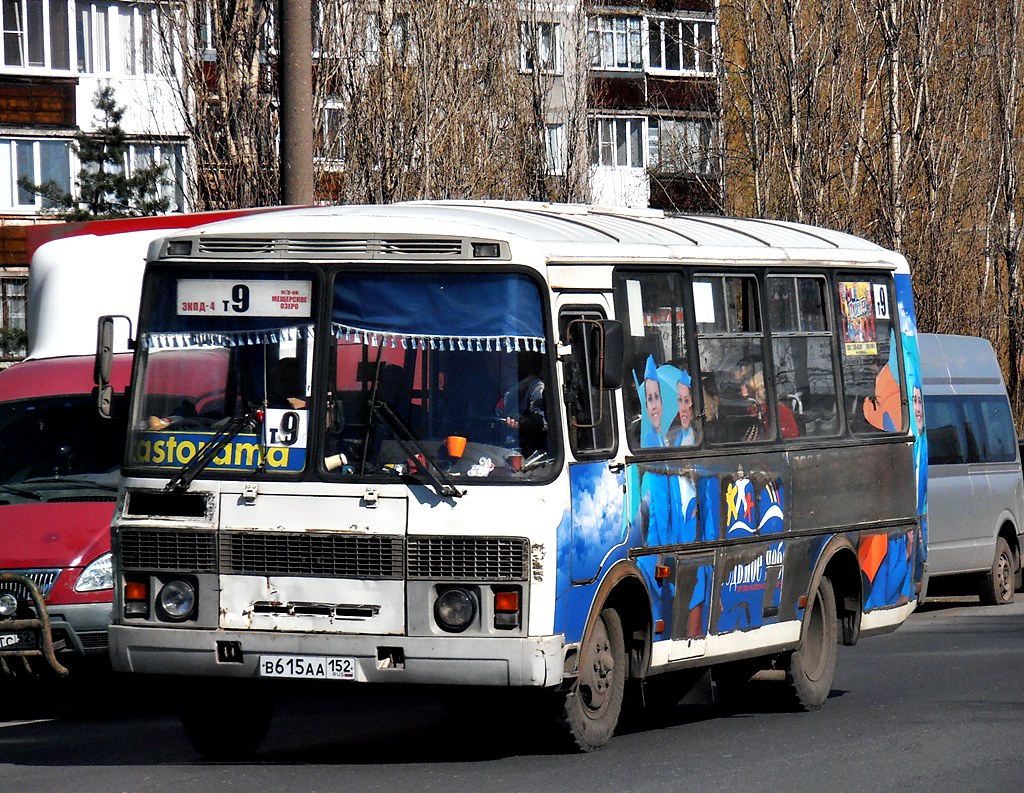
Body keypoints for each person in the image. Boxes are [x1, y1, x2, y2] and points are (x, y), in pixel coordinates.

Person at [496, 351, 547, 458]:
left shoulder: (536, 387)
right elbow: (497, 415)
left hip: (526, 455)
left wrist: (521, 421)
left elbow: (543, 422)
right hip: (500, 450)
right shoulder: (510, 392)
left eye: (507, 365)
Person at [742, 370, 800, 439]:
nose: (765, 390)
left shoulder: (782, 411)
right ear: (756, 389)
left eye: (767, 386)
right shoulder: (749, 411)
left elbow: (793, 434)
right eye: (762, 387)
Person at [664, 367, 696, 447]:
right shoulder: (675, 435)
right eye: (680, 400)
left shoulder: (699, 436)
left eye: (686, 401)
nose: (683, 408)